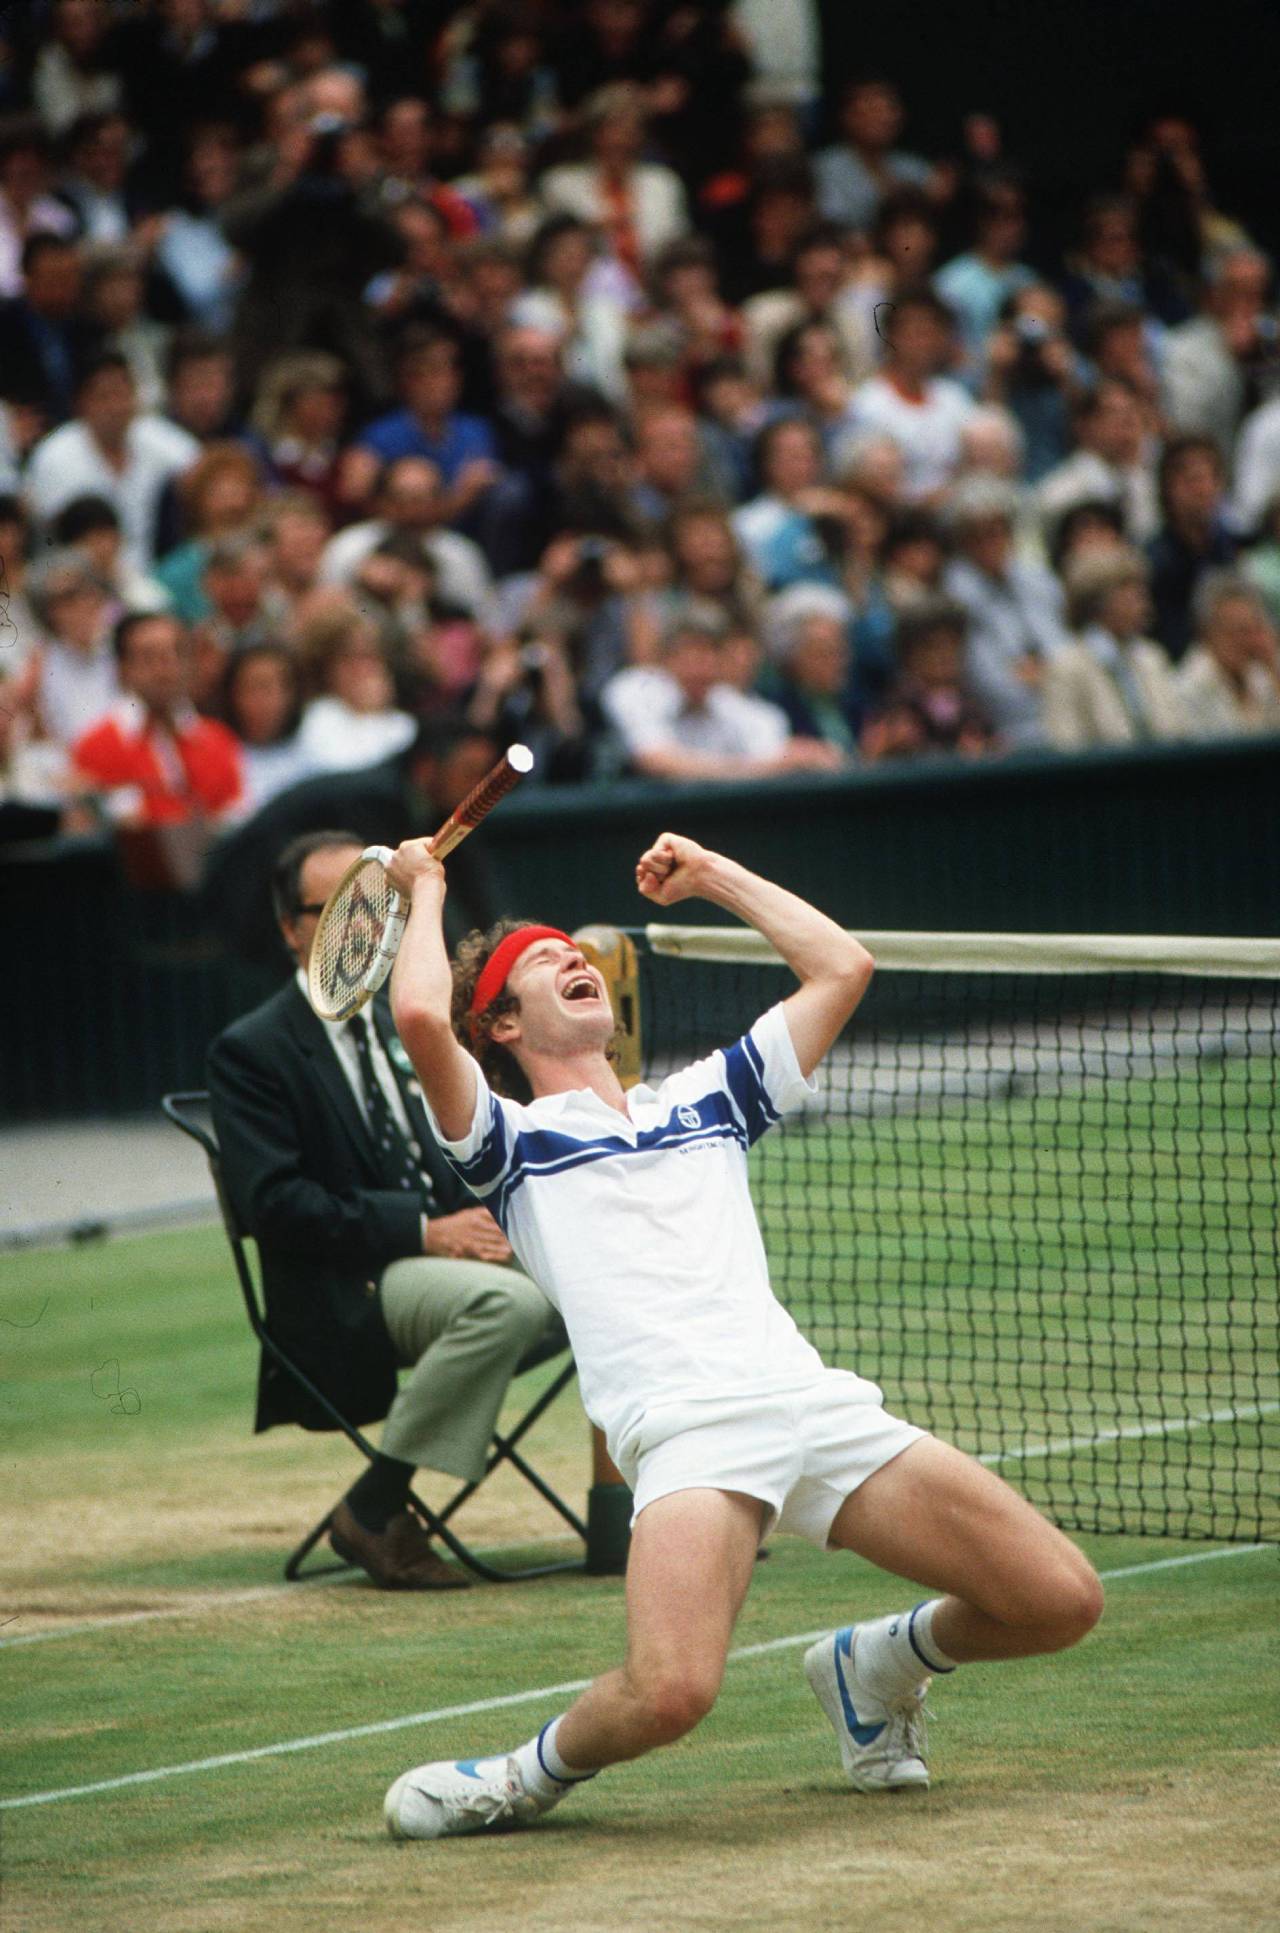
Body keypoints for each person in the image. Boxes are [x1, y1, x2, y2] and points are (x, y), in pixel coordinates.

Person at [378, 829, 1102, 1837]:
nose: (572, 958)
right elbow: (418, 1010)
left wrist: (709, 873)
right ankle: (519, 1776)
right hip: (687, 1432)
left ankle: (874, 1664)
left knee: (1059, 1600)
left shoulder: (702, 1100)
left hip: (807, 1401)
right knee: (670, 1693)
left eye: (572, 950)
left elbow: (839, 965)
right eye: (540, 960)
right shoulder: (509, 1146)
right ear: (499, 1023)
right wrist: (425, 886)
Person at [207, 829, 561, 1591]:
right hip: (350, 1286)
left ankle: (634, 1503)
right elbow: (275, 1204)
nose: (362, 925)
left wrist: (498, 1214)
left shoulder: (407, 1017)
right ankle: (373, 1505)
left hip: (450, 1262)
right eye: (337, 907)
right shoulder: (253, 1048)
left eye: (376, 905)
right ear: (291, 929)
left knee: (601, 1273)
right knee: (503, 1307)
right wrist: (424, 1230)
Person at [69, 607, 243, 825]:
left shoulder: (218, 740)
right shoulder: (96, 747)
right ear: (123, 668)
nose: (165, 668)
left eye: (176, 653)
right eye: (149, 657)